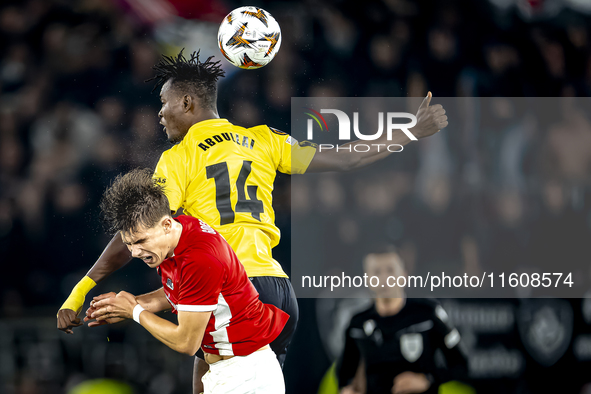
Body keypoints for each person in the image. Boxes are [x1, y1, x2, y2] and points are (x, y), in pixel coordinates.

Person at [57, 49, 448, 391]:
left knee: (210, 380)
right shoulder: (264, 139)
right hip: (278, 288)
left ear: (188, 102)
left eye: (165, 102)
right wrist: (411, 131)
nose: (160, 113)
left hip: (232, 290)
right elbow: (348, 157)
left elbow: (138, 230)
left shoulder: (179, 158)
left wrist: (81, 290)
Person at [86, 168, 288, 393]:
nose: (134, 252)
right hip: (227, 371)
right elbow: (186, 291)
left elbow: (186, 342)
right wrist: (125, 306)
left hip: (247, 375)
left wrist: (134, 312)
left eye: (141, 241)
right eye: (129, 243)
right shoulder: (179, 234)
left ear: (166, 224)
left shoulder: (200, 258)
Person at [337, 250, 468, 394]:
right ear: (367, 278)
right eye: (376, 272)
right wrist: (348, 389)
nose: (384, 277)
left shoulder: (427, 314)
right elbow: (344, 374)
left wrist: (428, 379)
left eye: (390, 270)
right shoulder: (357, 325)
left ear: (403, 275)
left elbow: (461, 365)